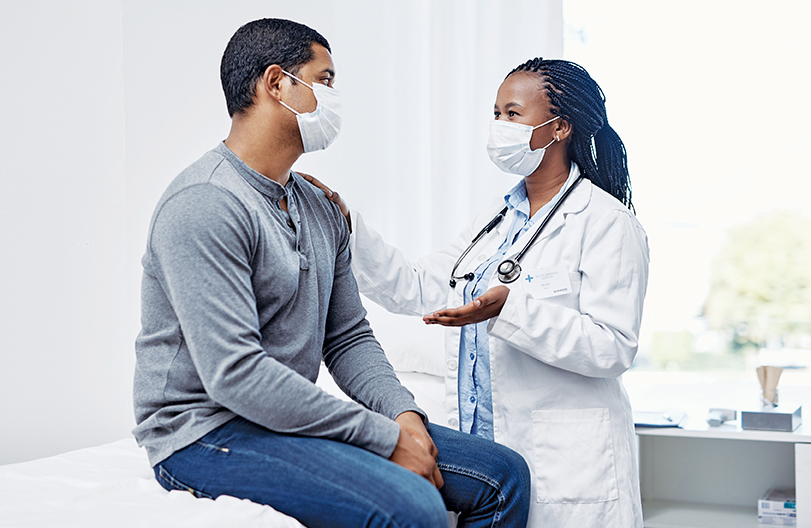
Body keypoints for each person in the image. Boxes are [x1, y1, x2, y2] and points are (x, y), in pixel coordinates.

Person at [131, 18, 531, 528]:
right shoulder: (206, 203)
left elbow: (347, 337)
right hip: (205, 433)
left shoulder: (318, 207)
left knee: (504, 475)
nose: (333, 96)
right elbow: (236, 375)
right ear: (277, 84)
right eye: (326, 80)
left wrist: (404, 417)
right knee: (412, 506)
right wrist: (385, 439)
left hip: (278, 422)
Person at [307, 58, 649, 527]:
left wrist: (511, 310)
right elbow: (419, 286)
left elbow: (613, 347)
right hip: (487, 460)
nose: (499, 127)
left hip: (565, 466)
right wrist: (349, 226)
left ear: (560, 127)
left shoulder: (607, 222)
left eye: (513, 114)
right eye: (496, 114)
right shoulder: (496, 219)